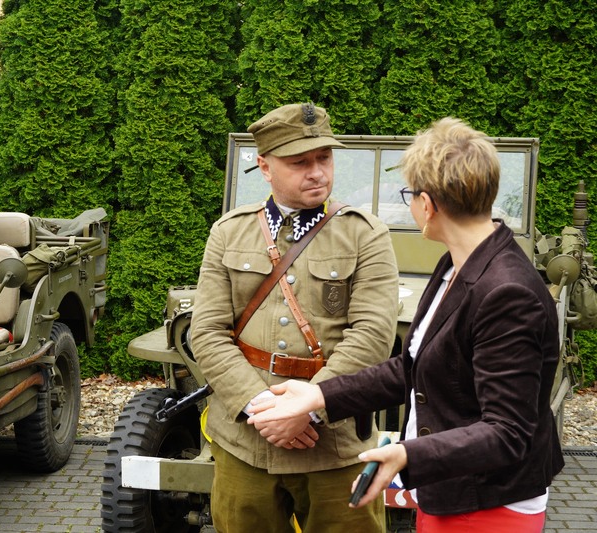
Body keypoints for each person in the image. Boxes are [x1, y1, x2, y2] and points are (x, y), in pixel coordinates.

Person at [247, 117, 564, 533]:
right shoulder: (457, 261)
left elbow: (507, 432)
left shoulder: (507, 293)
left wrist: (408, 455)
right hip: (451, 489)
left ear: (428, 205)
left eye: (409, 195)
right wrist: (317, 395)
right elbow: (412, 367)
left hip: (488, 504)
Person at [190, 102, 399, 533]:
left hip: (335, 442)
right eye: (299, 162)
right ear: (265, 168)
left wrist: (310, 409)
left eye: (324, 157)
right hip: (247, 440)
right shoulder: (229, 231)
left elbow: (373, 335)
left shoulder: (365, 233)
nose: (317, 172)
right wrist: (258, 409)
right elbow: (207, 331)